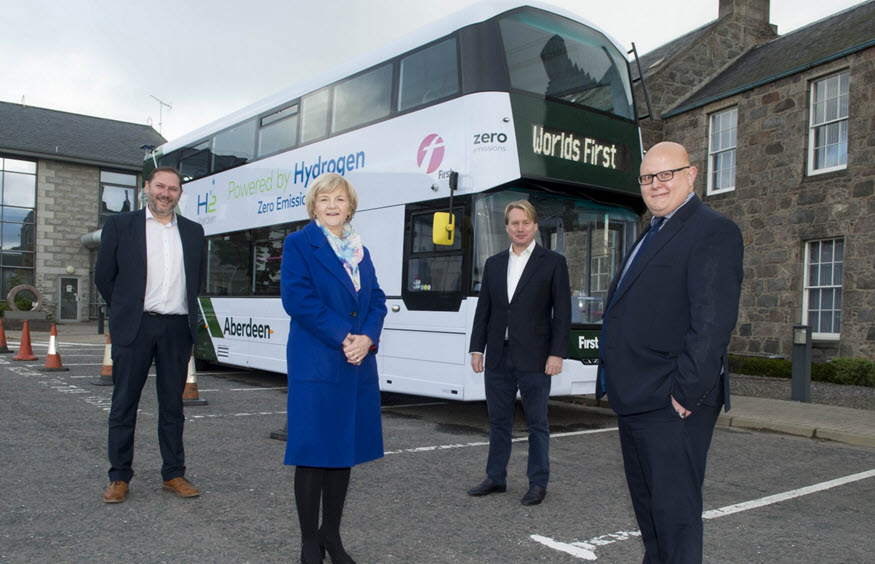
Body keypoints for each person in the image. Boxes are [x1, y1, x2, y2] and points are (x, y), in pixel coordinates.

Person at [597, 141, 744, 563]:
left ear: (691, 174)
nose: (656, 184)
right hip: (638, 397)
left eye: (667, 174)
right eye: (647, 177)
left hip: (672, 402)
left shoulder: (713, 230)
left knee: (675, 519)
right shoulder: (653, 231)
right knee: (651, 517)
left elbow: (712, 323)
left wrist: (685, 393)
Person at [281, 172, 387, 564]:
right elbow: (298, 299)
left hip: (356, 363)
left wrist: (368, 338)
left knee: (343, 451)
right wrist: (345, 335)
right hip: (318, 361)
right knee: (312, 452)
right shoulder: (298, 244)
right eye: (324, 199)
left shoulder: (361, 251)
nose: (331, 205)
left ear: (350, 206)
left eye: (339, 199)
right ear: (314, 205)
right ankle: (310, 540)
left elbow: (376, 300)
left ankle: (331, 534)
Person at [95, 166, 205, 503]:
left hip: (176, 328)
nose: (166, 193)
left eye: (173, 189)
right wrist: (126, 310)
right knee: (124, 403)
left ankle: (173, 473)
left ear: (179, 194)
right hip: (135, 327)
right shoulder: (120, 225)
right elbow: (104, 277)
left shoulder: (193, 231)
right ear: (147, 188)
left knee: (172, 406)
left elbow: (195, 280)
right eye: (160, 186)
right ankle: (119, 477)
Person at [467, 199, 571, 506]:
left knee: (537, 422)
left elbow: (562, 313)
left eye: (525, 222)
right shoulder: (494, 264)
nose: (520, 228)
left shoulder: (553, 262)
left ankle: (538, 482)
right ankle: (496, 477)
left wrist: (557, 354)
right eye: (514, 223)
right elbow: (483, 310)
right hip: (499, 354)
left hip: (537, 357)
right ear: (507, 228)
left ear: (535, 226)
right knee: (499, 420)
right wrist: (477, 348)